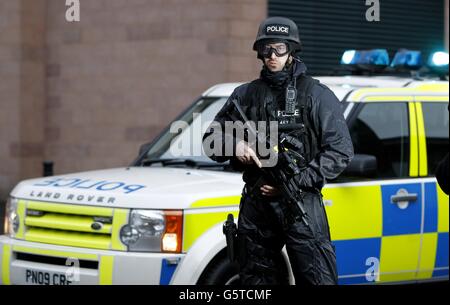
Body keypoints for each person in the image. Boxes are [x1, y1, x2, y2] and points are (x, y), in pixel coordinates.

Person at [202, 16, 354, 285]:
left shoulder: (316, 95)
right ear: (259, 53)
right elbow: (211, 140)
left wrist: (295, 182)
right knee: (256, 282)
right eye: (266, 49)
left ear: (291, 51)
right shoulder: (245, 95)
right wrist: (235, 146)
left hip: (300, 202)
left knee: (317, 279)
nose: (272, 56)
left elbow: (340, 151)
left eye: (279, 49)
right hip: (257, 204)